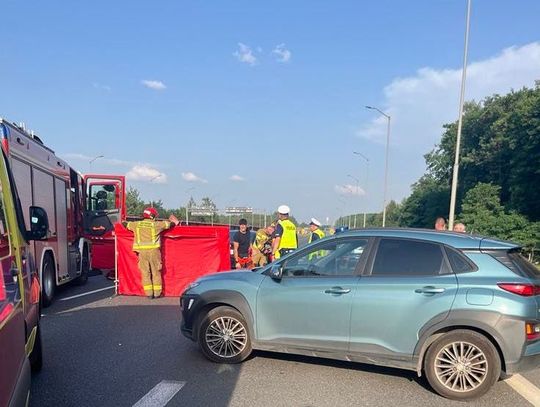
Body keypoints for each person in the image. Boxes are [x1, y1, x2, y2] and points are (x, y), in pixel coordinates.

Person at [124, 208, 179, 299]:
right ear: (152, 216)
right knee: (156, 272)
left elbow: (125, 224)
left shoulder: (136, 225)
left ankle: (149, 294)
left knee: (145, 273)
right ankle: (157, 293)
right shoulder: (156, 225)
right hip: (154, 252)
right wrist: (173, 221)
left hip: (141, 253)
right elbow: (170, 225)